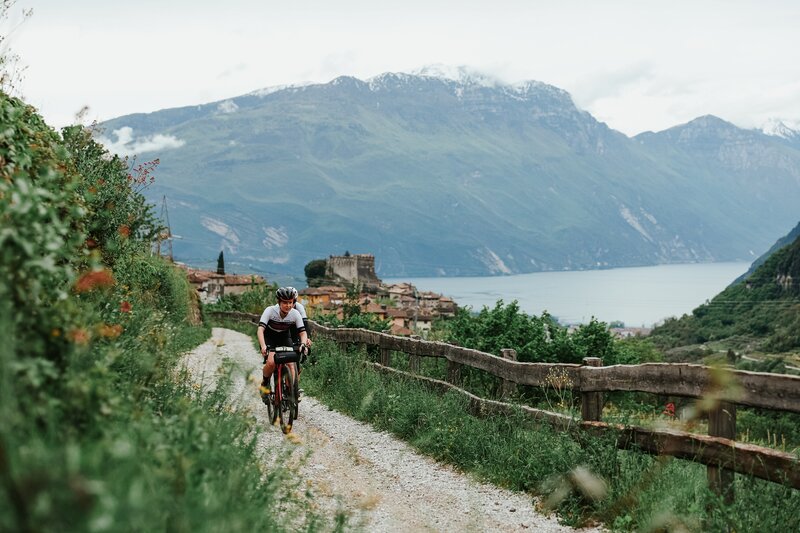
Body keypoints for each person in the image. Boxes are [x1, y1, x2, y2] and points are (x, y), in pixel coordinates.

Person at [257, 287, 309, 402]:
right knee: (271, 362)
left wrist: (303, 344)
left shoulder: (295, 313)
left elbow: (303, 332)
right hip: (269, 337)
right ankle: (265, 384)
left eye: (290, 302)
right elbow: (260, 330)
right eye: (285, 302)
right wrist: (263, 346)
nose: (288, 305)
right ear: (279, 302)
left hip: (284, 337)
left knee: (291, 363)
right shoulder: (270, 311)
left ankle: (291, 390)